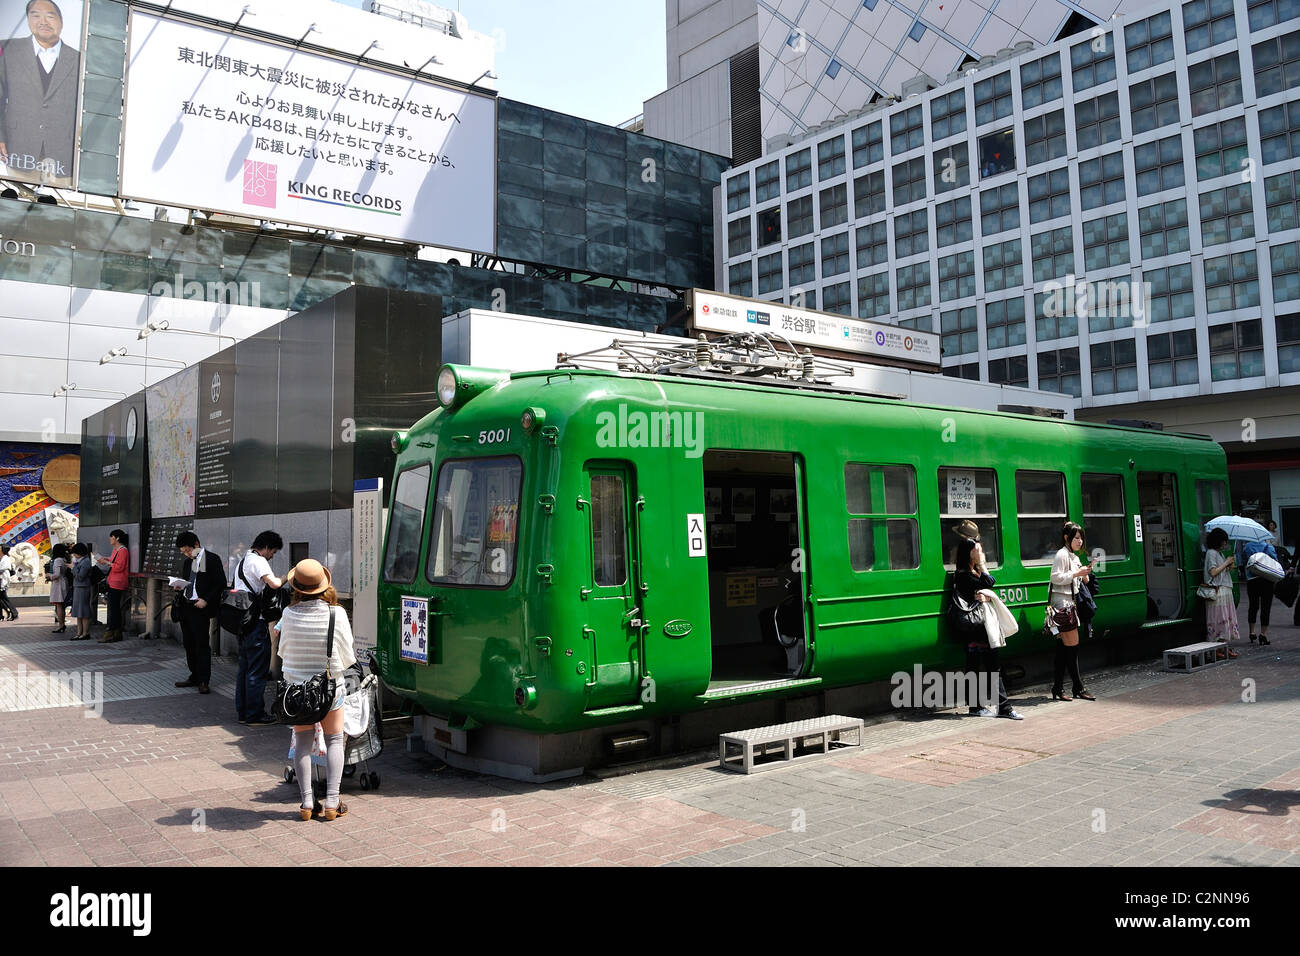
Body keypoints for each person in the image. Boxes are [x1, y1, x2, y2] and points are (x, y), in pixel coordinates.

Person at [277, 559, 356, 821]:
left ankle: (307, 804)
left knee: (302, 744)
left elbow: (283, 652)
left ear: (296, 587)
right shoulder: (337, 613)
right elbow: (347, 656)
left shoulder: (288, 614)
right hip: (329, 688)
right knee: (334, 740)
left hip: (297, 691)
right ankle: (332, 803)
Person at [0, 1, 81, 185]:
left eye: (50, 16)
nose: (43, 21)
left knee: (57, 207)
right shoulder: (7, 50)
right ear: (28, 20)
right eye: (36, 15)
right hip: (18, 148)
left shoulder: (79, 59)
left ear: (61, 21)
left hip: (63, 156)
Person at [953, 536, 1022, 719]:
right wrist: (983, 566)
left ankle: (996, 708)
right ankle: (990, 708)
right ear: (969, 553)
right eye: (978, 550)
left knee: (987, 667)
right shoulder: (962, 574)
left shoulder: (973, 572)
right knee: (982, 667)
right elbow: (989, 583)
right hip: (974, 627)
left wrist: (988, 596)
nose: (981, 554)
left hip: (982, 627)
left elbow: (988, 584)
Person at [232, 531, 284, 725]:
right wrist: (289, 575)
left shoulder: (243, 560)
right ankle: (255, 715)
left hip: (243, 622)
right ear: (267, 547)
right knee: (257, 671)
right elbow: (275, 584)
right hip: (255, 623)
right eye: (274, 552)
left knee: (244, 669)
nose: (272, 556)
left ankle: (244, 713)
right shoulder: (259, 561)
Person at [170, 531, 225, 694]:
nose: (186, 554)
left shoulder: (212, 559)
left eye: (188, 550)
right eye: (183, 552)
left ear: (196, 544)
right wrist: (179, 586)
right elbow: (190, 582)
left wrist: (206, 600)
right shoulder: (188, 562)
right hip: (185, 606)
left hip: (200, 607)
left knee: (201, 644)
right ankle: (194, 675)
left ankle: (203, 680)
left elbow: (219, 583)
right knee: (188, 643)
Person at [1049, 522, 1096, 701]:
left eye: (1082, 538)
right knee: (1072, 648)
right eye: (1077, 538)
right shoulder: (1062, 554)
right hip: (1063, 605)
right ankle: (1078, 687)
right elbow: (1055, 577)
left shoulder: (1073, 556)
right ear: (1067, 538)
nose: (1080, 541)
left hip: (1070, 604)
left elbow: (1081, 581)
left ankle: (1058, 688)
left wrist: (1085, 573)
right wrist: (1077, 574)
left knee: (1063, 650)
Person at [1202, 528, 1238, 657]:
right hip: (1218, 591)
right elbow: (1213, 572)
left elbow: (1221, 572)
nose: (1225, 544)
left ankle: (1223, 646)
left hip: (1225, 590)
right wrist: (1226, 563)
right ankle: (1216, 648)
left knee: (1225, 619)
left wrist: (1229, 566)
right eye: (1223, 541)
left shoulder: (1220, 553)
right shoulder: (1211, 553)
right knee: (1219, 619)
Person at [1241, 535, 1280, 645]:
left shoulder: (1247, 547)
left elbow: (1244, 562)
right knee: (1265, 607)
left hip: (1252, 580)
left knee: (1253, 606)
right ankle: (1263, 634)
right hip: (1267, 580)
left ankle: (1252, 631)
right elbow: (1275, 562)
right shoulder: (1269, 547)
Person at [94, 529, 130, 643]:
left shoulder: (123, 550)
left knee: (114, 608)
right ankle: (115, 632)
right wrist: (105, 559)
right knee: (113, 608)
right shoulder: (116, 550)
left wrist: (107, 563)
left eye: (111, 537)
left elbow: (119, 567)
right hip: (113, 580)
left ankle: (113, 633)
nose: (110, 539)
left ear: (117, 538)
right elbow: (114, 561)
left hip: (118, 581)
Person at [44, 542, 70, 633]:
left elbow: (57, 574)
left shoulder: (58, 560)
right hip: (62, 582)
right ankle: (61, 624)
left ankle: (61, 625)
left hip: (58, 584)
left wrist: (49, 576)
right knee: (61, 605)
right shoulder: (64, 559)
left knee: (59, 605)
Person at [69, 542, 92, 639]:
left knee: (83, 611)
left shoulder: (86, 561)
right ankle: (79, 633)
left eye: (75, 553)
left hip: (83, 587)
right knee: (78, 611)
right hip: (78, 587)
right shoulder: (80, 561)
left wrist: (73, 568)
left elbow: (80, 576)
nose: (74, 555)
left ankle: (85, 633)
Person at [0, 545, 16, 621]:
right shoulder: (2, 558)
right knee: (3, 598)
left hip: (2, 581)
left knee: (4, 598)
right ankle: (9, 613)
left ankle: (13, 613)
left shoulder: (5, 558)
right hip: (2, 580)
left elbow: (2, 569)